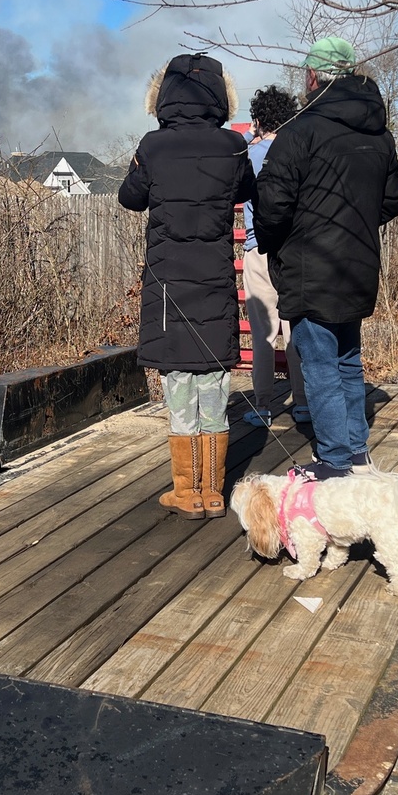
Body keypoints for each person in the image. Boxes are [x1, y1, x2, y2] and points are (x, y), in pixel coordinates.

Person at [253, 37, 398, 477]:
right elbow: (391, 200)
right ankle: (357, 452)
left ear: (314, 77)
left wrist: (280, 241)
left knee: (319, 364)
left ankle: (336, 460)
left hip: (310, 268)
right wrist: (354, 223)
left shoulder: (300, 134)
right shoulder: (380, 136)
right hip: (357, 266)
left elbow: (271, 206)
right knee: (347, 360)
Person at [119, 53, 255, 518]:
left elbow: (129, 197)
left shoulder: (153, 146)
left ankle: (186, 491)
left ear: (164, 97)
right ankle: (214, 491)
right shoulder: (232, 145)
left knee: (178, 384)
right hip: (214, 281)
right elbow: (245, 192)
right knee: (215, 383)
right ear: (221, 96)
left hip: (167, 286)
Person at [241, 84, 309, 428]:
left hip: (257, 250)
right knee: (295, 329)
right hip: (294, 252)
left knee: (263, 335)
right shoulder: (298, 151)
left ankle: (263, 406)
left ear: (257, 119)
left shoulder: (249, 154)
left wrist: (249, 136)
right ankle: (303, 404)